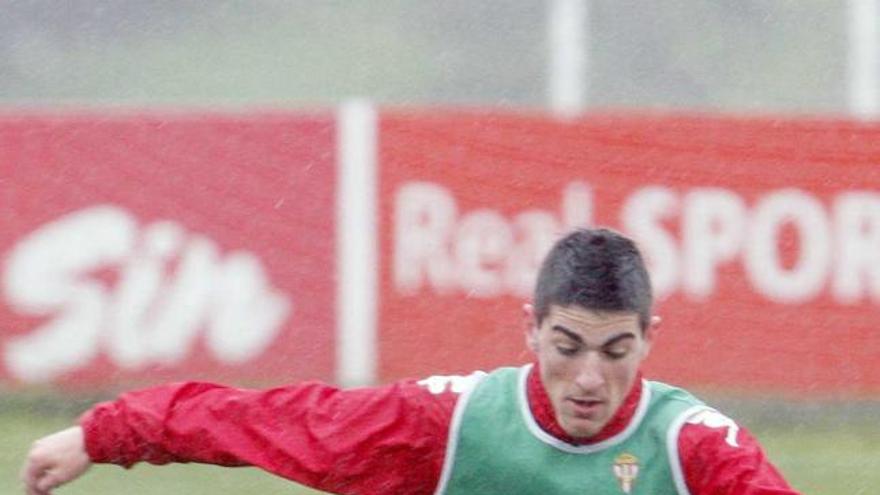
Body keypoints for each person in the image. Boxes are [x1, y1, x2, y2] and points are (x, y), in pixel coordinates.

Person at [21, 227, 799, 495]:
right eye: (567, 347)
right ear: (529, 329)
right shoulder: (452, 422)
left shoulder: (694, 446)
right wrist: (107, 431)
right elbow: (278, 424)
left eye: (615, 350)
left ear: (650, 339)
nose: (590, 377)